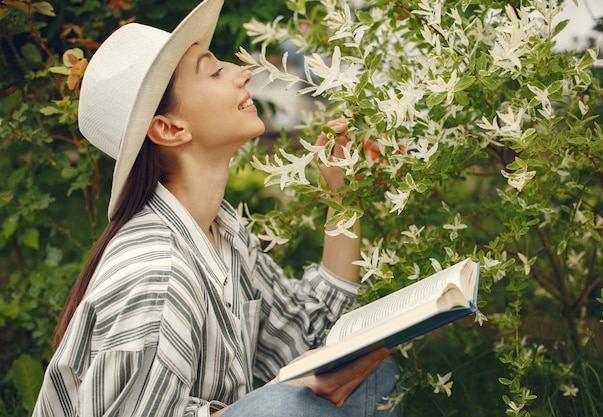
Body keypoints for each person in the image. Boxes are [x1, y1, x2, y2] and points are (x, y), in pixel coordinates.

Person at [33, 0, 402, 416]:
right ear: (170, 128)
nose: (243, 72)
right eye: (215, 71)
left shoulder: (222, 233)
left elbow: (309, 334)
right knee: (286, 406)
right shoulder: (156, 273)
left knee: (370, 378)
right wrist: (282, 392)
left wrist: (342, 195)